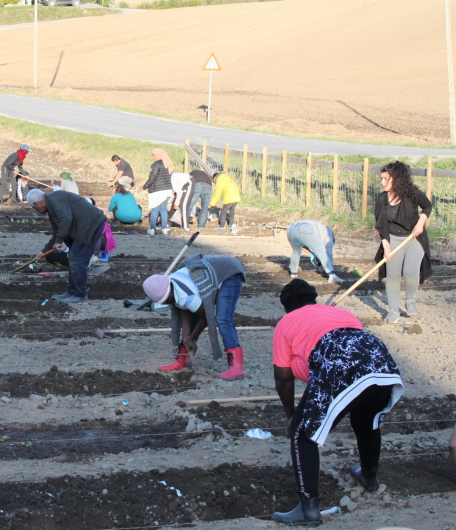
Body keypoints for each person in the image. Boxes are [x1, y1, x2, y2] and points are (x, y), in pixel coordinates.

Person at [271, 279, 403, 525]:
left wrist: (291, 416)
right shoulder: (341, 313)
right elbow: (357, 351)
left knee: (303, 433)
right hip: (381, 361)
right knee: (366, 420)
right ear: (313, 299)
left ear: (286, 307)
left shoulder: (286, 322)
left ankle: (308, 510)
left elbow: (283, 378)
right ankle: (369, 477)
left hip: (338, 362)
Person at [142, 254, 247, 379]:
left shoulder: (186, 295)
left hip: (229, 272)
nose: (166, 304)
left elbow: (207, 317)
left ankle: (236, 367)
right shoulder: (172, 287)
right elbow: (184, 309)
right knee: (195, 310)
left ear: (169, 292)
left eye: (165, 301)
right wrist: (187, 337)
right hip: (207, 272)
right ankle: (182, 360)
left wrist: (191, 338)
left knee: (223, 318)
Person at [374, 161, 431, 323]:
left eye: (386, 179)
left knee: (410, 273)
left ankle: (410, 301)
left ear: (397, 179)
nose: (382, 182)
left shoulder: (412, 194)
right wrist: (386, 246)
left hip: (414, 239)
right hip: (393, 240)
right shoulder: (381, 199)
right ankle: (393, 311)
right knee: (393, 276)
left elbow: (427, 207)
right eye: (382, 179)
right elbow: (381, 225)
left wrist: (420, 223)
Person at [27, 189, 106, 303]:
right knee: (74, 257)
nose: (36, 210)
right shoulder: (52, 204)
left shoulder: (55, 200)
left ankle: (79, 294)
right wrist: (44, 250)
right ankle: (72, 292)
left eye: (34, 208)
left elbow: (66, 218)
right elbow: (57, 231)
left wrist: (59, 240)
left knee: (77, 258)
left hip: (90, 224)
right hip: (82, 226)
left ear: (37, 204)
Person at [143, 148, 174, 235]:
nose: (153, 157)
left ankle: (152, 229)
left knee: (155, 209)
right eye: (152, 155)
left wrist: (145, 187)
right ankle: (164, 228)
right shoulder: (166, 164)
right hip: (167, 189)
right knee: (163, 209)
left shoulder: (155, 165)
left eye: (154, 155)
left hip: (158, 190)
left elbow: (152, 178)